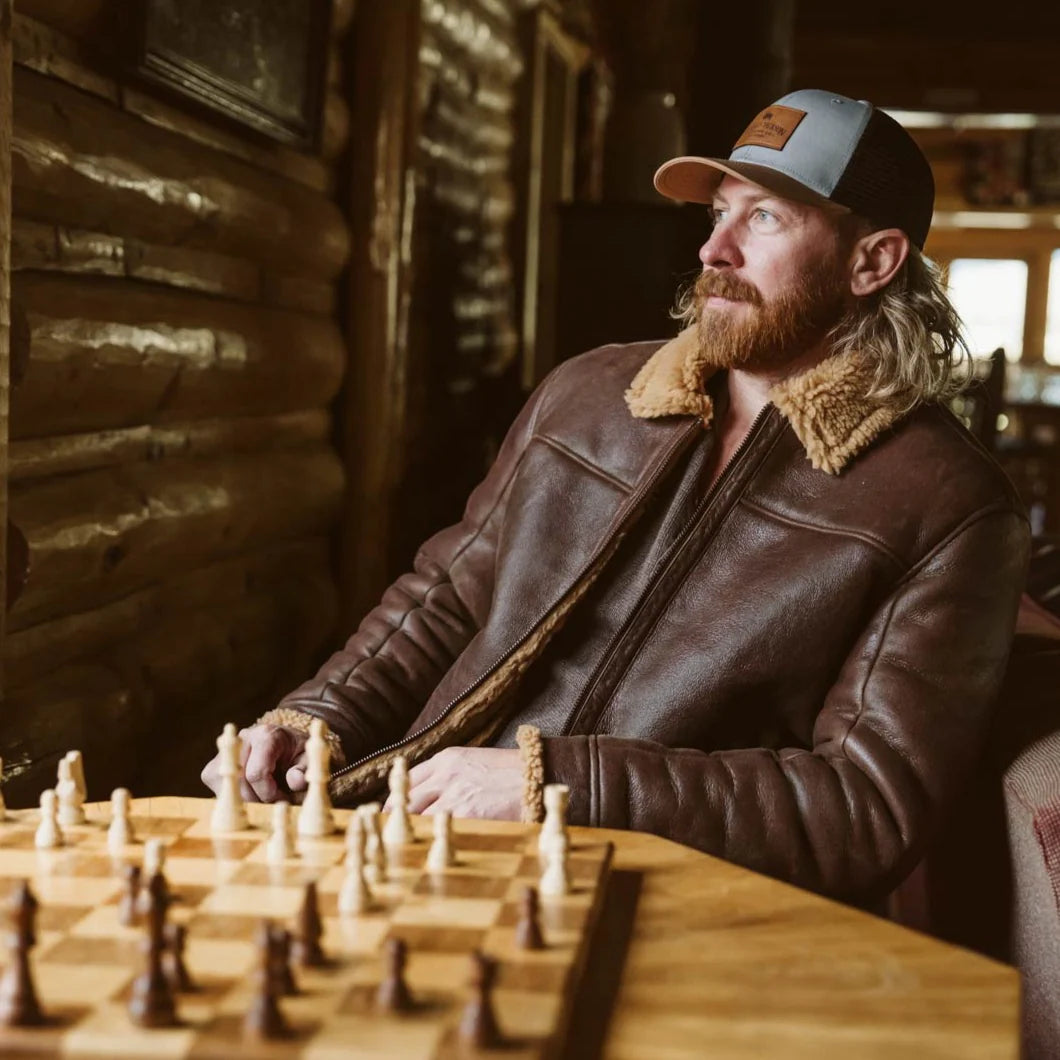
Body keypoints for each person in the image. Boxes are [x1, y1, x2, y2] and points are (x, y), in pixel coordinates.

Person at [202, 89, 1030, 903]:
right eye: (719, 213)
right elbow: (447, 599)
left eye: (766, 218)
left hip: (668, 904)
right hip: (435, 843)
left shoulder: (947, 504)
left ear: (872, 262)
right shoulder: (588, 392)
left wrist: (551, 783)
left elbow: (863, 811)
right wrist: (314, 717)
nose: (715, 252)